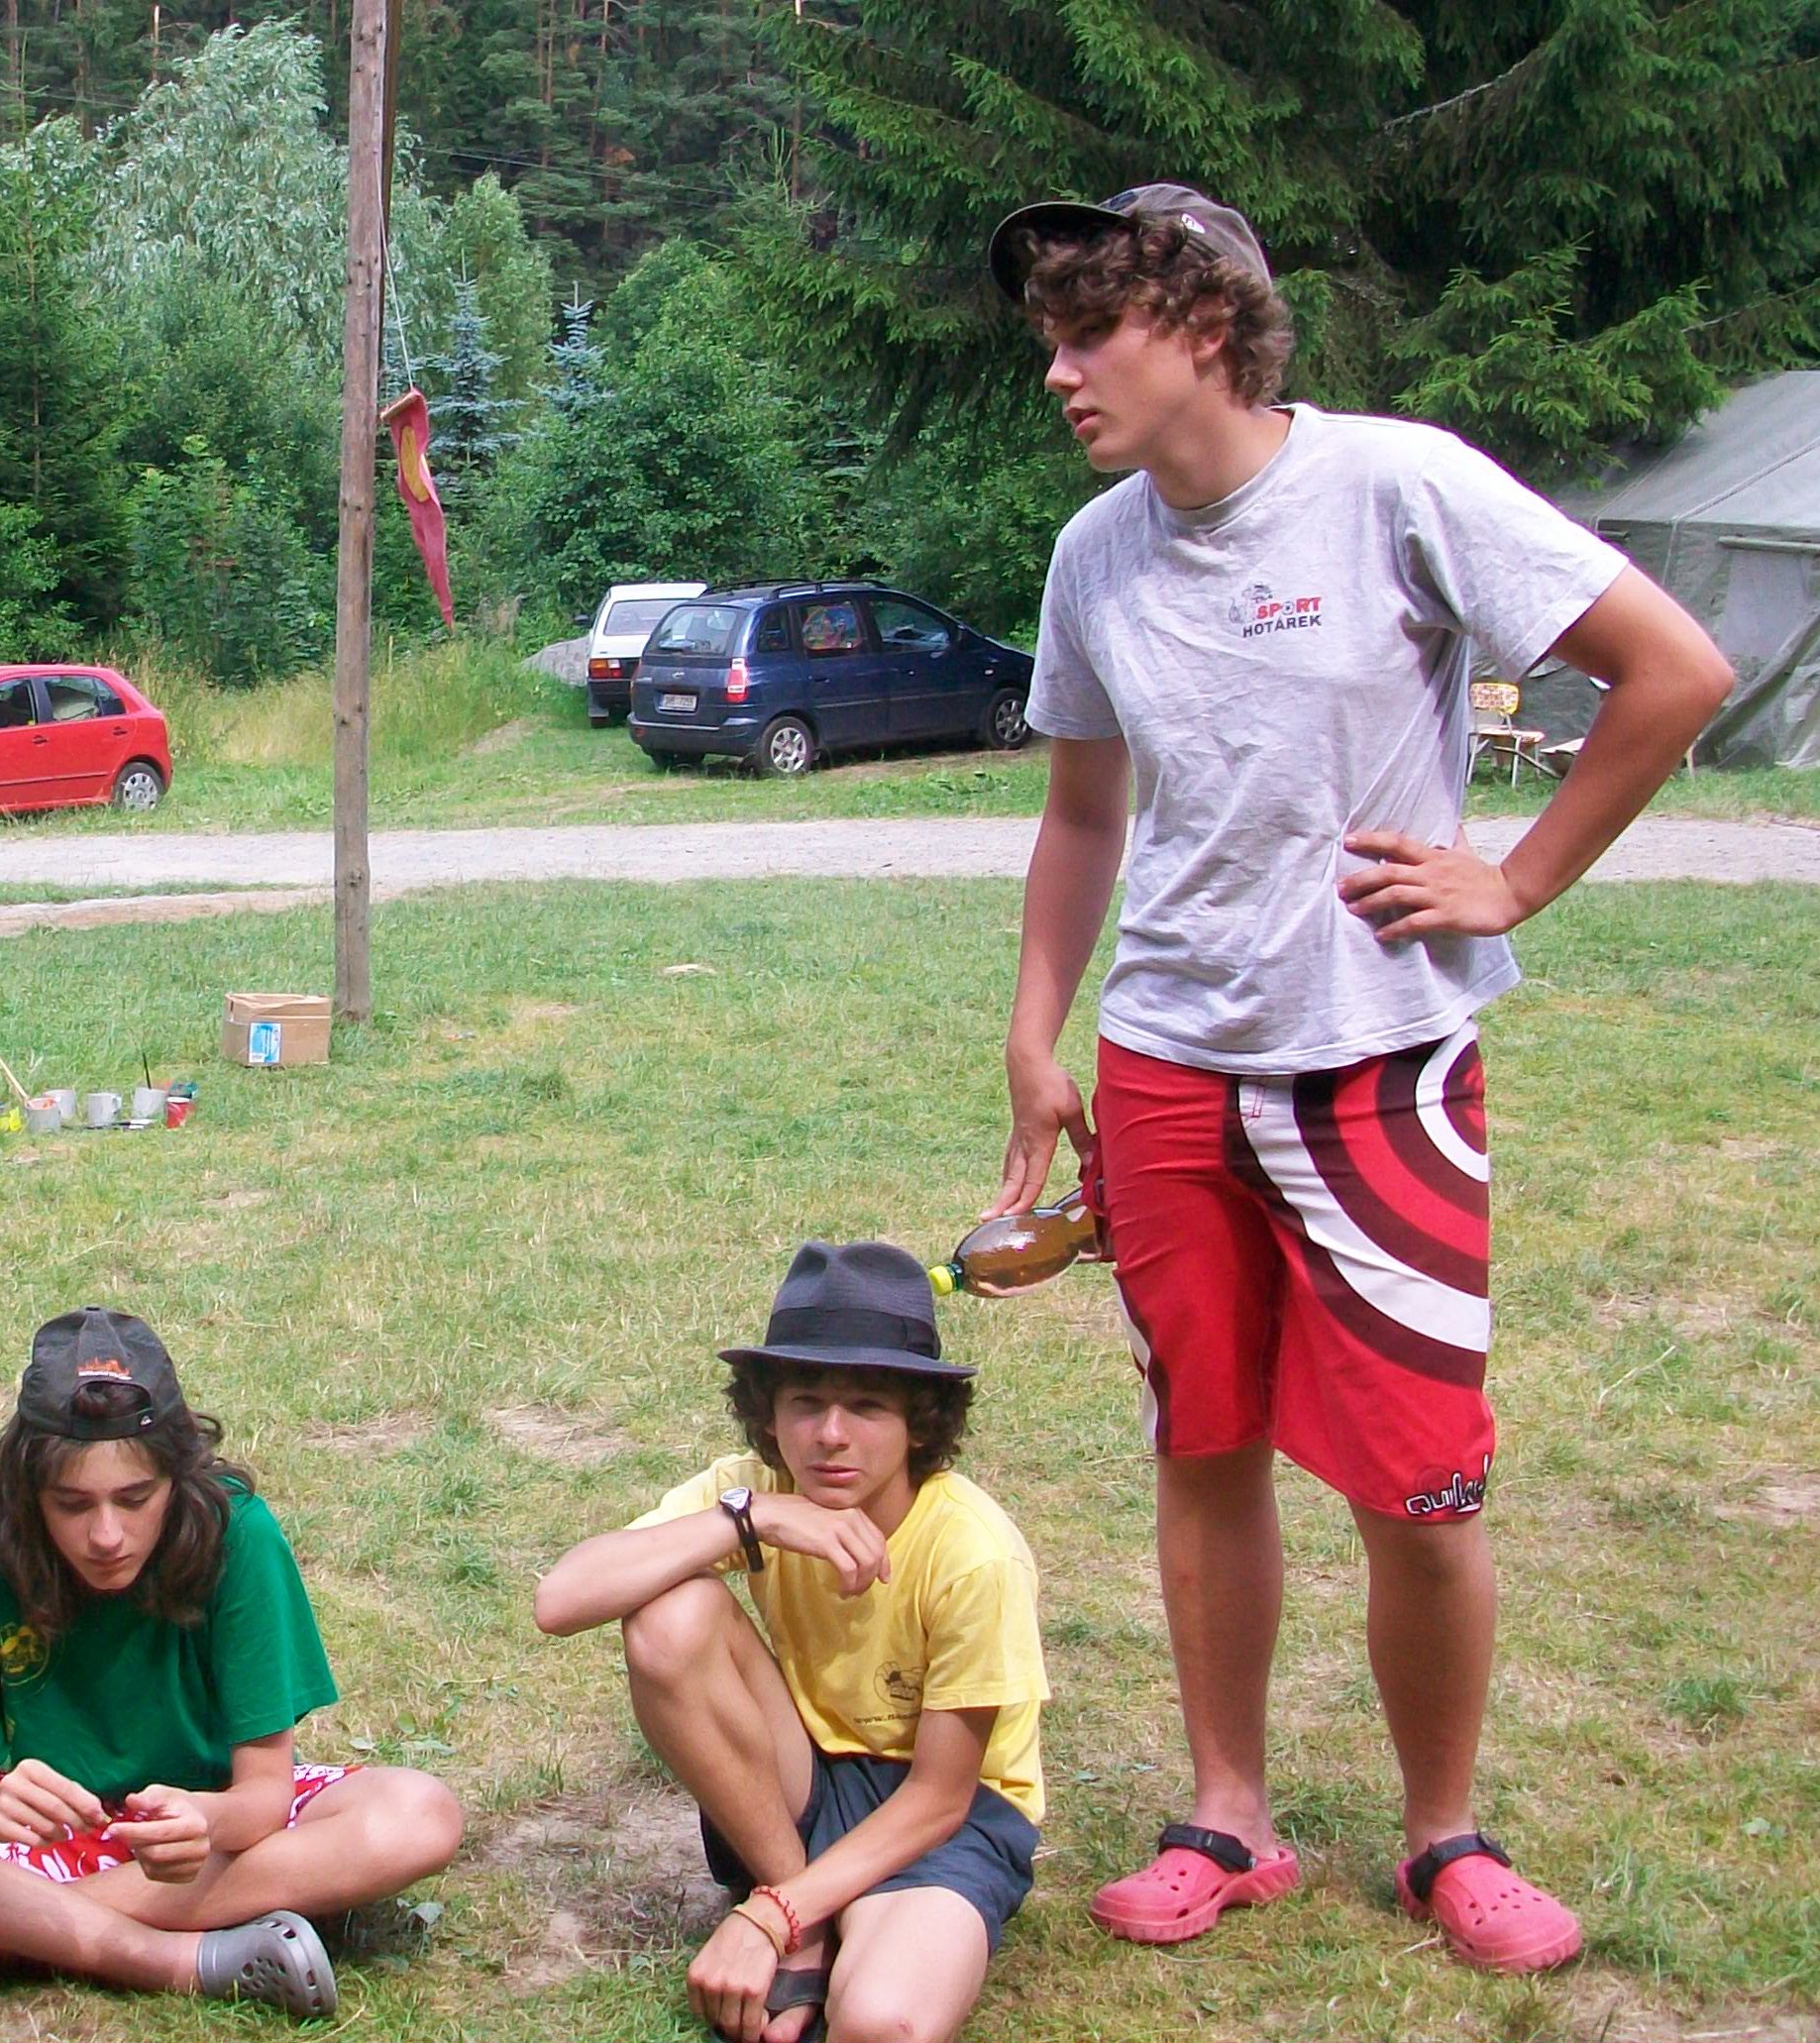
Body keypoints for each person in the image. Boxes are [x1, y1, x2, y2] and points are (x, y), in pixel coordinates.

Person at [980, 183, 1734, 1974]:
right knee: (1201, 1446)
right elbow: (1082, 809)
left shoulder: (1397, 484)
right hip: (1169, 1069)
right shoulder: (1094, 553)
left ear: (1206, 327)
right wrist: (1034, 1027)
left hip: (1379, 1069)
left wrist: (1513, 879)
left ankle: (1442, 1836)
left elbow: (1673, 670)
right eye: (1048, 341)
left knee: (1418, 1482)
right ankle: (1225, 1815)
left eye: (1091, 333)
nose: (1060, 373)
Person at [0, 1308, 463, 2017]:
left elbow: (263, 1796)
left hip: (185, 1850)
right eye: (71, 1504)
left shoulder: (239, 1533)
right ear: (28, 1493)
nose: (107, 1535)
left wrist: (205, 1820)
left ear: (179, 1477)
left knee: (418, 1814)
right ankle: (179, 1961)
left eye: (135, 1498)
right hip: (27, 1842)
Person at [536, 1241, 1048, 2043]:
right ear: (768, 1414)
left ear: (919, 1422)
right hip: (803, 1777)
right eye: (806, 1402)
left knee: (879, 2023)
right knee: (669, 1613)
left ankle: (811, 1911)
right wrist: (752, 1519)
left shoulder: (973, 1551)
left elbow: (940, 1799)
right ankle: (809, 1922)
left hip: (943, 1819)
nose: (831, 1435)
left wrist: (768, 1914)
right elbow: (561, 1600)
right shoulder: (758, 1487)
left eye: (868, 1406)